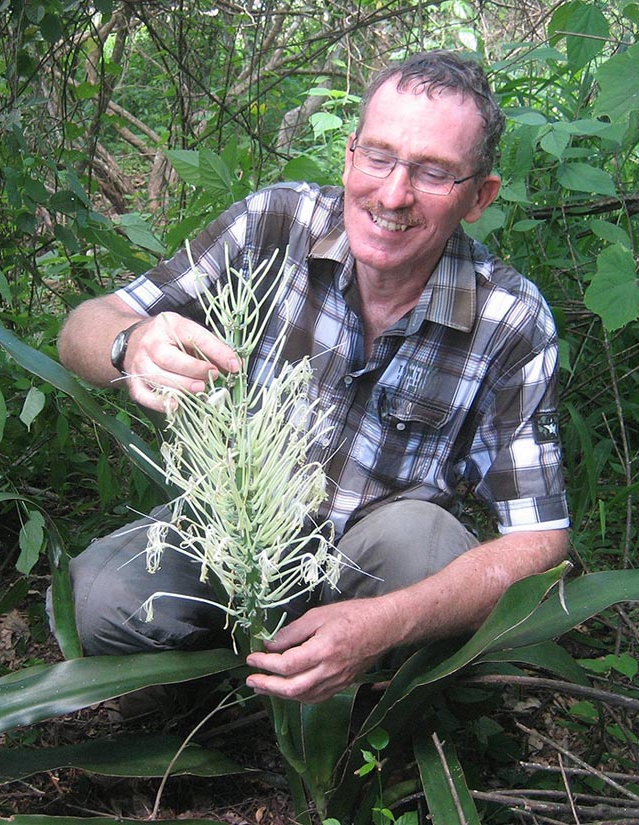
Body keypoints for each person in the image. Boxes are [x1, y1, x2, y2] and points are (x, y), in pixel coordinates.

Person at [56, 51, 570, 704]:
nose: (393, 195)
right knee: (97, 597)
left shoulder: (511, 319)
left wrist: (387, 621)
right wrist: (130, 344)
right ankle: (209, 711)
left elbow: (542, 541)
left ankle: (385, 726)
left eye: (433, 172)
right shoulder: (275, 224)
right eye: (379, 157)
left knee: (423, 542)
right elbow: (85, 325)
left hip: (377, 566)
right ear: (350, 156)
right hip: (239, 523)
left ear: (479, 197)